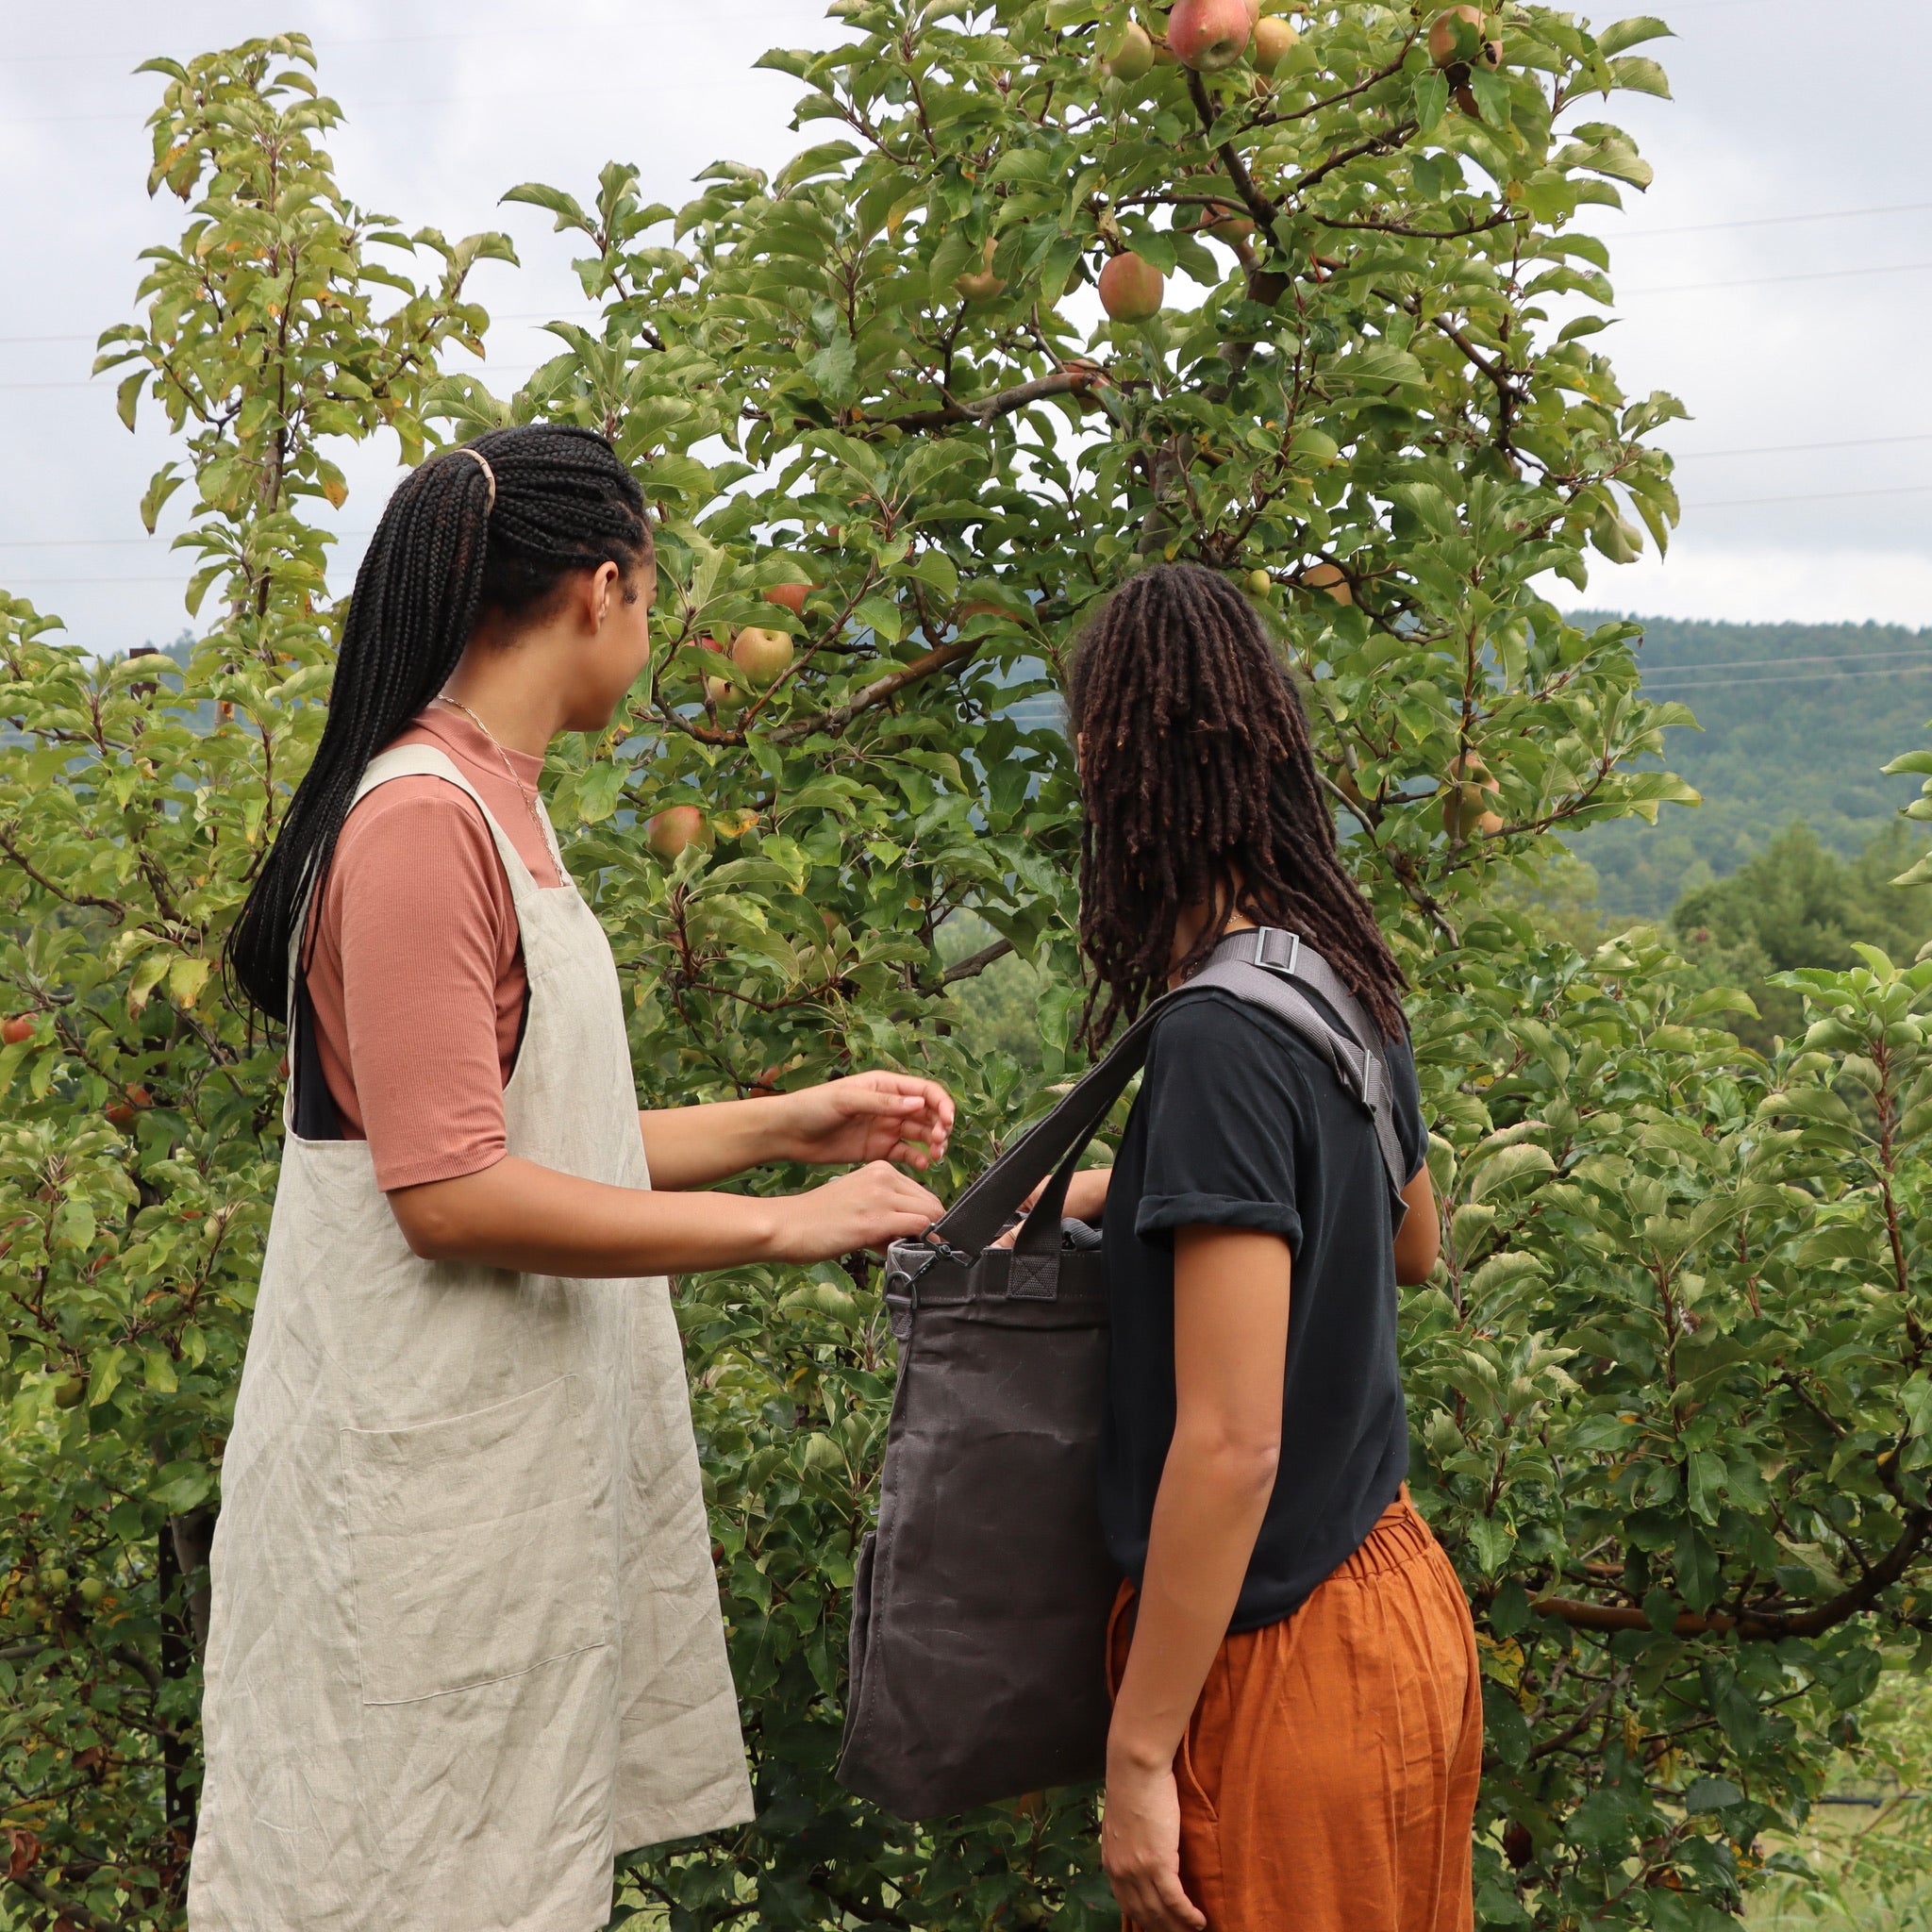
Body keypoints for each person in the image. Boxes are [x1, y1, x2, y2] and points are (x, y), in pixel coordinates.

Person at [192, 425, 954, 1932]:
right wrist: (777, 1229)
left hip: (494, 1492)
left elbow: (536, 1131)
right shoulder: (423, 820)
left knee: (495, 1864)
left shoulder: (503, 803)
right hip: (413, 1516)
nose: (653, 626)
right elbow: (453, 1193)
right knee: (399, 1873)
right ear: (601, 591)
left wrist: (784, 1121)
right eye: (655, 594)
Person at [1057, 563, 1477, 1932]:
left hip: (1282, 1662)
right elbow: (1406, 1240)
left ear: (1121, 770)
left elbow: (1232, 1444)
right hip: (1398, 1598)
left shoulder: (1214, 1038)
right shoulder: (1335, 973)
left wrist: (1136, 1755)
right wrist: (1117, 1202)